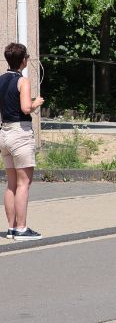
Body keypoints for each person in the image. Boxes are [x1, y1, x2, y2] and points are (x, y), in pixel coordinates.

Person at [1, 43, 44, 240]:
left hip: (5, 133)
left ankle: (11, 228)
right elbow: (26, 108)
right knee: (24, 183)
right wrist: (37, 102)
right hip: (20, 134)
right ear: (23, 60)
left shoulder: (0, 80)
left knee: (11, 184)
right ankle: (22, 228)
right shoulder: (23, 81)